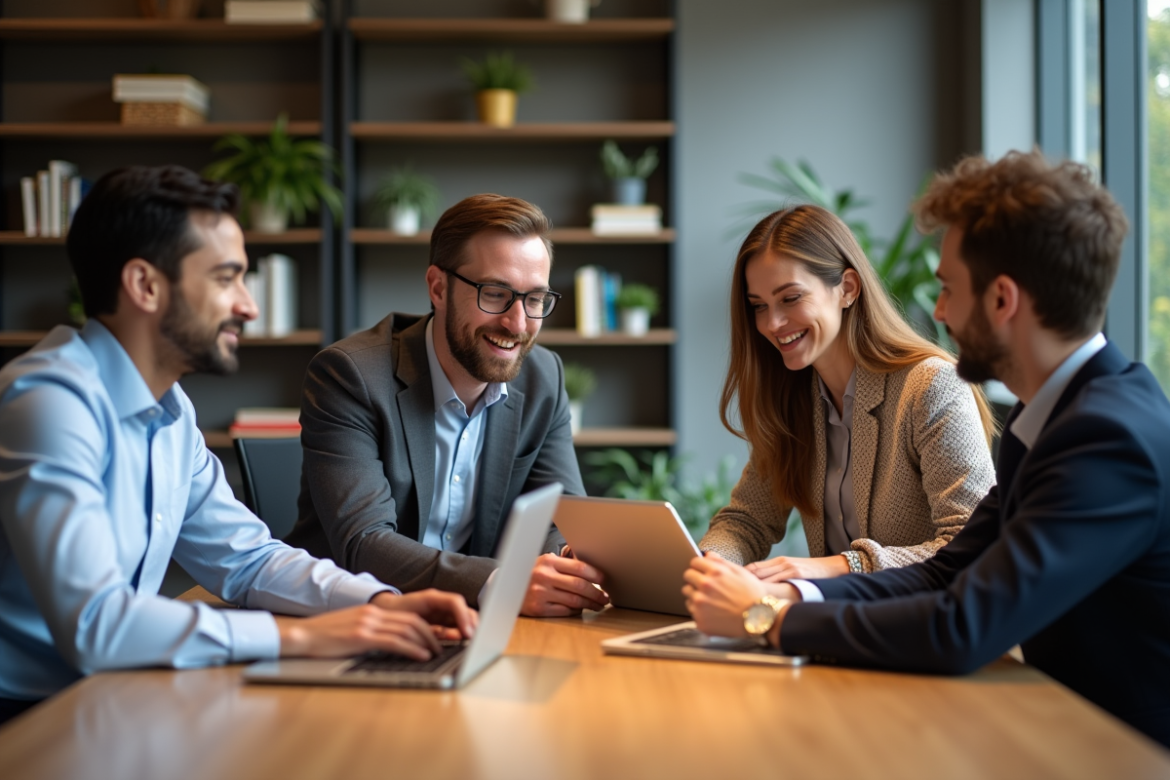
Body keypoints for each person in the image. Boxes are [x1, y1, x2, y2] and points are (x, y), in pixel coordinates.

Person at [683, 150, 1170, 747]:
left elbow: (963, 626)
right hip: (1054, 734)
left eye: (947, 289)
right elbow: (948, 569)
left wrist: (768, 617)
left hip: (1114, 754)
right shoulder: (1051, 421)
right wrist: (786, 593)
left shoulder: (1107, 439)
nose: (937, 311)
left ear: (1002, 300)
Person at [0, 166, 476, 726]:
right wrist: (298, 638)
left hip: (105, 699)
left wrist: (377, 604)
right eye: (227, 279)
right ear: (145, 285)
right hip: (26, 718)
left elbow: (248, 560)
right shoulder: (48, 403)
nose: (249, 306)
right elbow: (95, 625)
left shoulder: (171, 412)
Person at [286, 194, 608, 617]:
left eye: (534, 300)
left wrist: (564, 562)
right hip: (350, 618)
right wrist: (504, 583)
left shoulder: (544, 376)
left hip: (473, 624)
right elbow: (364, 543)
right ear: (438, 288)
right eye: (495, 294)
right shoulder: (350, 376)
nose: (517, 324)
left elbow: (558, 514)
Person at [700, 204, 996, 579]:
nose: (772, 323)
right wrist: (711, 565)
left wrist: (844, 565)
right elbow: (747, 521)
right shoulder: (792, 399)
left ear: (848, 289)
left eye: (790, 298)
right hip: (834, 629)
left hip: (924, 630)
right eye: (759, 306)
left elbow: (976, 545)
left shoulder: (931, 387)